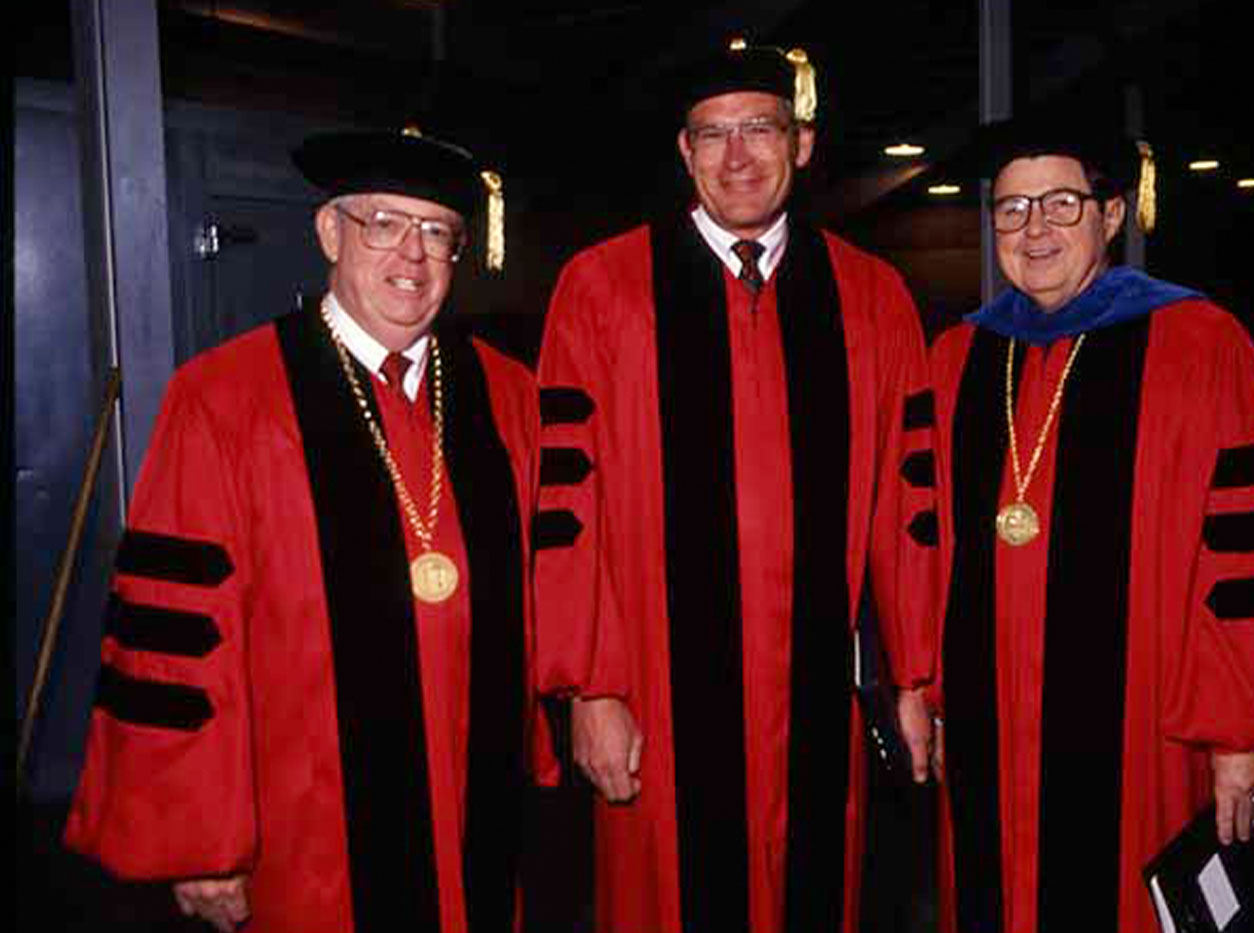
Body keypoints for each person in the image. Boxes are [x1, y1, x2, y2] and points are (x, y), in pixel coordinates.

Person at [64, 128, 539, 933]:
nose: (412, 256)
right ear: (329, 232)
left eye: (436, 233)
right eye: (383, 223)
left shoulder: (509, 394)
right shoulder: (222, 398)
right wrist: (202, 836)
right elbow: (175, 642)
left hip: (475, 800)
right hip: (306, 828)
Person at [533, 42, 937, 933]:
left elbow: (907, 512)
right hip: (658, 705)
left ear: (802, 143)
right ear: (683, 151)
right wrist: (588, 690)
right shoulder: (600, 290)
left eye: (760, 128)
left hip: (817, 701)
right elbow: (566, 511)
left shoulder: (872, 298)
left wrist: (913, 677)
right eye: (712, 134)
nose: (738, 155)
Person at [926, 114, 1254, 933]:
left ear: (1112, 214)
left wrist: (1242, 733)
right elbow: (929, 553)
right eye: (1011, 208)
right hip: (989, 728)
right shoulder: (958, 358)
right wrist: (932, 694)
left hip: (1143, 730)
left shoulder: (1200, 343)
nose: (1033, 228)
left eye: (1060, 204)